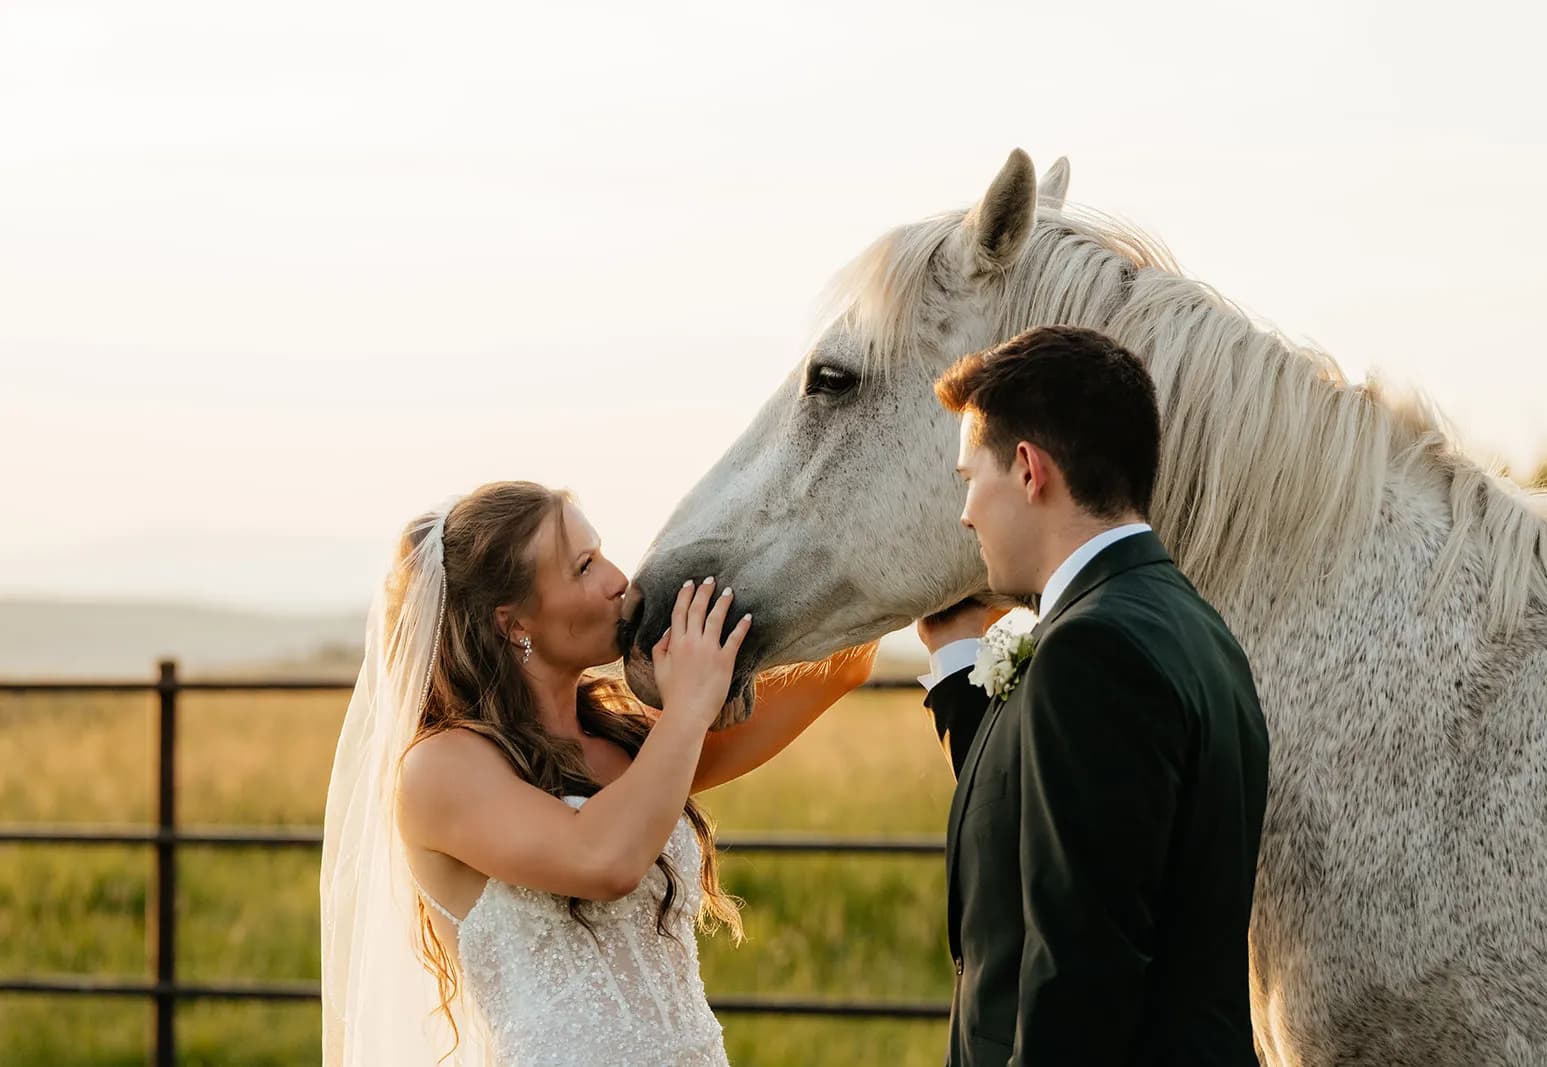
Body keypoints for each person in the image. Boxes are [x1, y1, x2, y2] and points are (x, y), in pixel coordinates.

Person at [321, 480, 875, 1066]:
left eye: (602, 553)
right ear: (513, 624)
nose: (619, 581)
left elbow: (840, 671)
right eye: (584, 568)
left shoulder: (629, 739)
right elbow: (601, 859)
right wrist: (687, 708)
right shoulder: (439, 768)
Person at [916, 325, 1270, 1065]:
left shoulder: (1090, 652)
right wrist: (956, 660)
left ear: (1027, 470)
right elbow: (1053, 821)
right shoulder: (1191, 626)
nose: (965, 512)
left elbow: (1080, 976)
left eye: (967, 477)